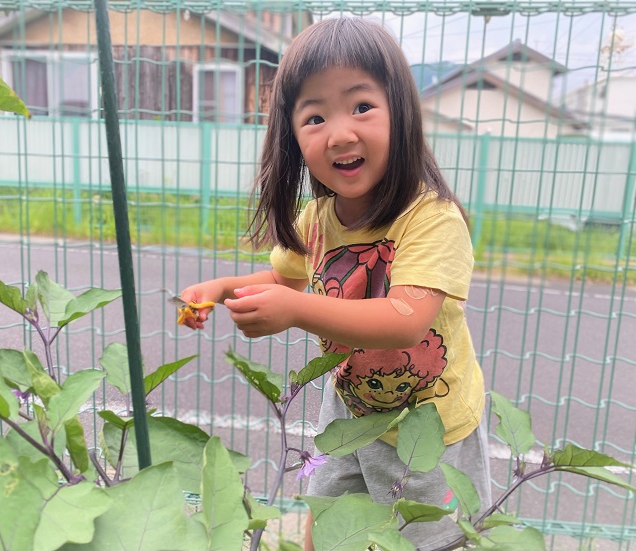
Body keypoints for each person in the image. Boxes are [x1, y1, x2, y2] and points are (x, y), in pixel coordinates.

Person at [179, 17, 491, 551]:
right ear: (293, 138)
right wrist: (224, 287)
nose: (341, 132)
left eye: (362, 106)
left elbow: (405, 320)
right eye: (315, 116)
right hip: (349, 414)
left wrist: (295, 310)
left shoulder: (431, 219)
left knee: (429, 542)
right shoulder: (318, 218)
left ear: (403, 113)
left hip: (429, 429)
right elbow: (281, 277)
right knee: (326, 528)